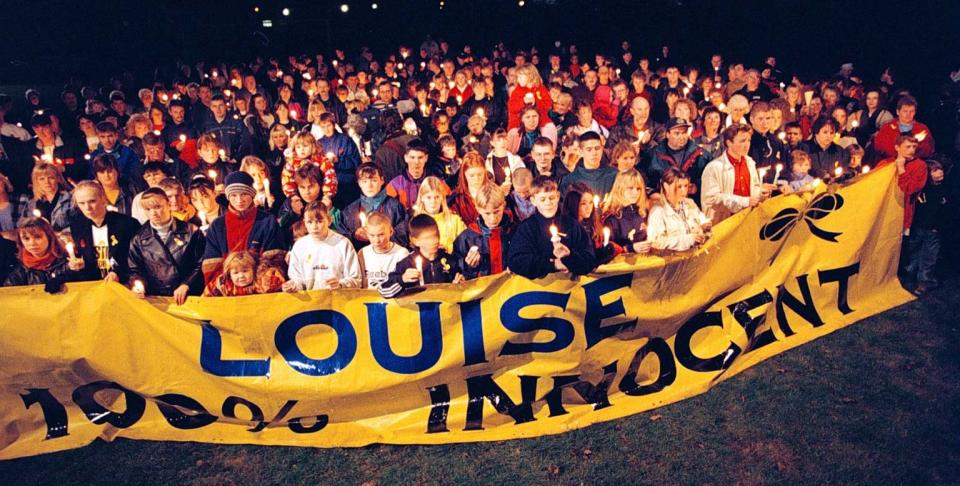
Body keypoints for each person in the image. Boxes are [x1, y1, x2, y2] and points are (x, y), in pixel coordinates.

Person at [201, 171, 284, 283]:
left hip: (261, 288)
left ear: (252, 194)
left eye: (244, 194)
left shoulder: (267, 221)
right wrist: (230, 285)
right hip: (228, 291)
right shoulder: (217, 226)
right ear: (228, 197)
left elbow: (275, 262)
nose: (239, 200)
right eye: (234, 195)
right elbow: (212, 267)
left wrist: (255, 283)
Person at [507, 176, 597, 279]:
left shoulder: (572, 224)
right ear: (533, 201)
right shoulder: (527, 228)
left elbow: (589, 258)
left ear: (558, 196)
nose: (548, 203)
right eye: (542, 199)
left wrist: (569, 257)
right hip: (539, 291)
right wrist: (553, 264)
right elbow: (516, 261)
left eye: (551, 198)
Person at [127, 187, 205, 303]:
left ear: (169, 205)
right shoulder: (138, 239)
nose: (153, 213)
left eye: (157, 207)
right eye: (148, 209)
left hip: (188, 297)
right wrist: (138, 285)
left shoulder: (192, 231)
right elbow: (134, 269)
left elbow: (200, 264)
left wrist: (186, 284)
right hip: (156, 299)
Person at [68, 180, 141, 283]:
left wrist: (118, 272)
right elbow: (85, 257)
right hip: (94, 285)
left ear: (103, 199)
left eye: (92, 201)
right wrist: (80, 264)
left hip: (125, 283)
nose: (87, 207)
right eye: (81, 203)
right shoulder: (78, 226)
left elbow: (136, 259)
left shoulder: (126, 224)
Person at [379, 214, 465, 298]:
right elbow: (384, 291)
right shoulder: (406, 264)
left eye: (436, 235)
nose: (435, 241)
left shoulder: (451, 260)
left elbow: (463, 289)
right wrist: (403, 279)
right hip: (417, 311)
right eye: (428, 238)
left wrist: (457, 287)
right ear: (415, 241)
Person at [283, 201, 361, 291]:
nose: (314, 227)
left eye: (319, 221)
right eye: (309, 222)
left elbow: (356, 279)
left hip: (338, 301)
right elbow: (296, 278)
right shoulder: (299, 246)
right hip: (310, 302)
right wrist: (293, 285)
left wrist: (341, 284)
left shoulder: (342, 244)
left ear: (329, 220)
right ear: (304, 222)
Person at [700, 124, 766, 223]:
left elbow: (754, 187)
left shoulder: (750, 163)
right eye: (742, 141)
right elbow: (711, 198)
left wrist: (761, 192)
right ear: (729, 142)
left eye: (749, 140)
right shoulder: (714, 167)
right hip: (725, 224)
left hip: (748, 220)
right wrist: (745, 201)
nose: (747, 145)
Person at [453, 182, 514, 279]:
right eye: (487, 213)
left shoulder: (515, 231)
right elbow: (456, 270)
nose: (493, 219)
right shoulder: (467, 238)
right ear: (478, 209)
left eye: (497, 211)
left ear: (504, 205)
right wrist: (468, 265)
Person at [905, 160, 948, 295]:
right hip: (918, 228)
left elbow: (943, 212)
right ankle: (910, 274)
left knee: (929, 257)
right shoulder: (922, 190)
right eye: (935, 170)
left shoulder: (944, 190)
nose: (940, 172)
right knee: (914, 252)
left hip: (933, 230)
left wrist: (938, 226)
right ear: (928, 174)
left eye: (940, 169)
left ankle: (924, 282)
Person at [646, 169, 711, 252]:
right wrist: (688, 239)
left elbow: (702, 220)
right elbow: (656, 241)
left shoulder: (690, 203)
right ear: (666, 186)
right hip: (673, 261)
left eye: (686, 186)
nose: (684, 191)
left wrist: (705, 227)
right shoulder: (658, 211)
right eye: (679, 187)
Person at [644, 117, 712, 197]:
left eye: (684, 133)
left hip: (692, 202)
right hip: (664, 201)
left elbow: (710, 178)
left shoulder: (701, 154)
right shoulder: (654, 154)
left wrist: (697, 187)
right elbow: (647, 181)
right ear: (667, 134)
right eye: (677, 133)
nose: (681, 137)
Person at [3, 217, 77, 289]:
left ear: (49, 237)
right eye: (26, 238)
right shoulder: (18, 266)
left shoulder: (66, 261)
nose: (32, 243)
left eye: (37, 237)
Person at [875, 135, 927, 232]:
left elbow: (910, 189)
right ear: (897, 147)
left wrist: (901, 168)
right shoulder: (885, 163)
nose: (912, 150)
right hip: (883, 213)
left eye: (914, 147)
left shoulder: (920, 166)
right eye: (908, 147)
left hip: (903, 215)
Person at [410, 176, 466, 253]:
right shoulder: (416, 223)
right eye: (428, 197)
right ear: (422, 198)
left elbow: (464, 245)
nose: (433, 202)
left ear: (442, 198)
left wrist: (448, 248)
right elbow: (413, 246)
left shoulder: (455, 220)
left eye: (436, 197)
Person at [601, 169, 651, 254]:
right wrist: (629, 248)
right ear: (620, 188)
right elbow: (606, 249)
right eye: (630, 188)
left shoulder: (641, 212)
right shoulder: (610, 217)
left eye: (638, 189)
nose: (635, 192)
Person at [873, 96, 935, 161]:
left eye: (911, 111)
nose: (908, 114)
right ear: (898, 112)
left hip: (915, 164)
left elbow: (928, 149)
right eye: (905, 111)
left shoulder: (922, 129)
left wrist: (914, 150)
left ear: (915, 113)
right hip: (891, 163)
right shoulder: (887, 128)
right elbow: (880, 148)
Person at [358, 211, 409, 290]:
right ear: (366, 233)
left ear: (391, 231)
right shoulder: (363, 253)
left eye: (381, 235)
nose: (376, 240)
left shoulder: (401, 253)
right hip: (368, 298)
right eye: (372, 235)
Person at [280, 132, 337, 202]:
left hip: (319, 195)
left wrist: (328, 194)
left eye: (305, 146)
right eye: (298, 147)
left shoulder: (321, 159)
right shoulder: (291, 163)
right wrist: (292, 195)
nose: (302, 149)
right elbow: (286, 179)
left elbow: (330, 175)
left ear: (313, 146)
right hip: (300, 196)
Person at [559, 131, 618, 198]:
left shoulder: (615, 175)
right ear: (581, 151)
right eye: (589, 149)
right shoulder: (569, 181)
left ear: (602, 149)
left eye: (597, 148)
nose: (594, 153)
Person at [18, 163, 74, 231]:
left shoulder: (69, 199)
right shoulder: (31, 204)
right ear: (37, 181)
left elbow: (76, 224)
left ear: (58, 178)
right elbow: (22, 225)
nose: (47, 182)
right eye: (42, 179)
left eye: (51, 178)